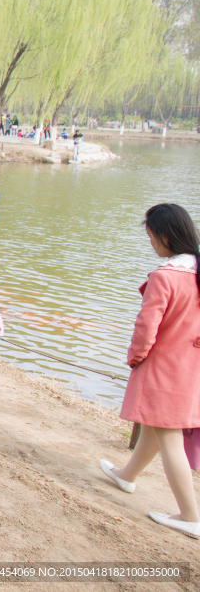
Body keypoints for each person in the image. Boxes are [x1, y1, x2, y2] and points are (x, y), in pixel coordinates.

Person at [99, 204, 200, 539]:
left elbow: (146, 328)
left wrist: (135, 357)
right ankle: (127, 475)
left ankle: (191, 515)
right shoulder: (196, 272)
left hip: (163, 367)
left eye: (152, 237)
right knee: (158, 428)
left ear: (165, 236)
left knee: (169, 438)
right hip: (190, 368)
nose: (152, 243)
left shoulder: (164, 277)